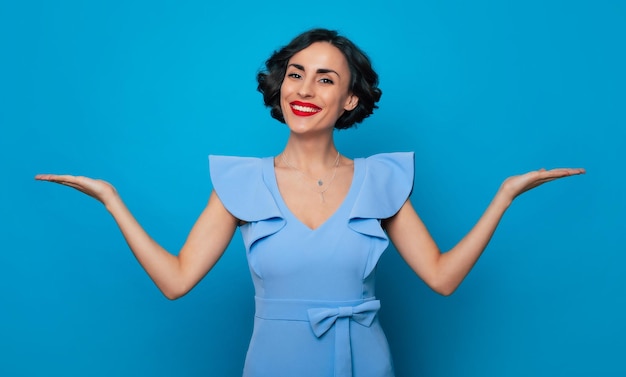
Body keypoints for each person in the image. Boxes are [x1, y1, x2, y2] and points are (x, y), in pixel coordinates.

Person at [35, 28, 584, 377]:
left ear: (349, 99)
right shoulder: (240, 182)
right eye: (295, 74)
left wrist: (503, 198)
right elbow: (177, 281)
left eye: (325, 79)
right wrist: (112, 201)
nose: (305, 89)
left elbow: (441, 277)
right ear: (278, 88)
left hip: (365, 362)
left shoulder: (381, 180)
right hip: (275, 363)